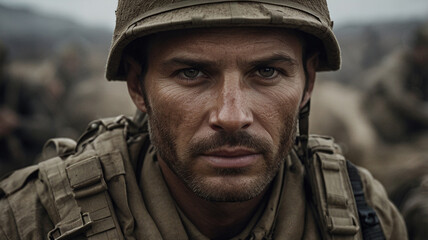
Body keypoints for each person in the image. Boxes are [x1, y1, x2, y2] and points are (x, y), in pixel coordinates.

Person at [0, 1, 407, 239]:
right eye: (192, 73)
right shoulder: (32, 219)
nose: (232, 116)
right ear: (138, 86)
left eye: (267, 72)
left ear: (308, 82)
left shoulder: (363, 212)